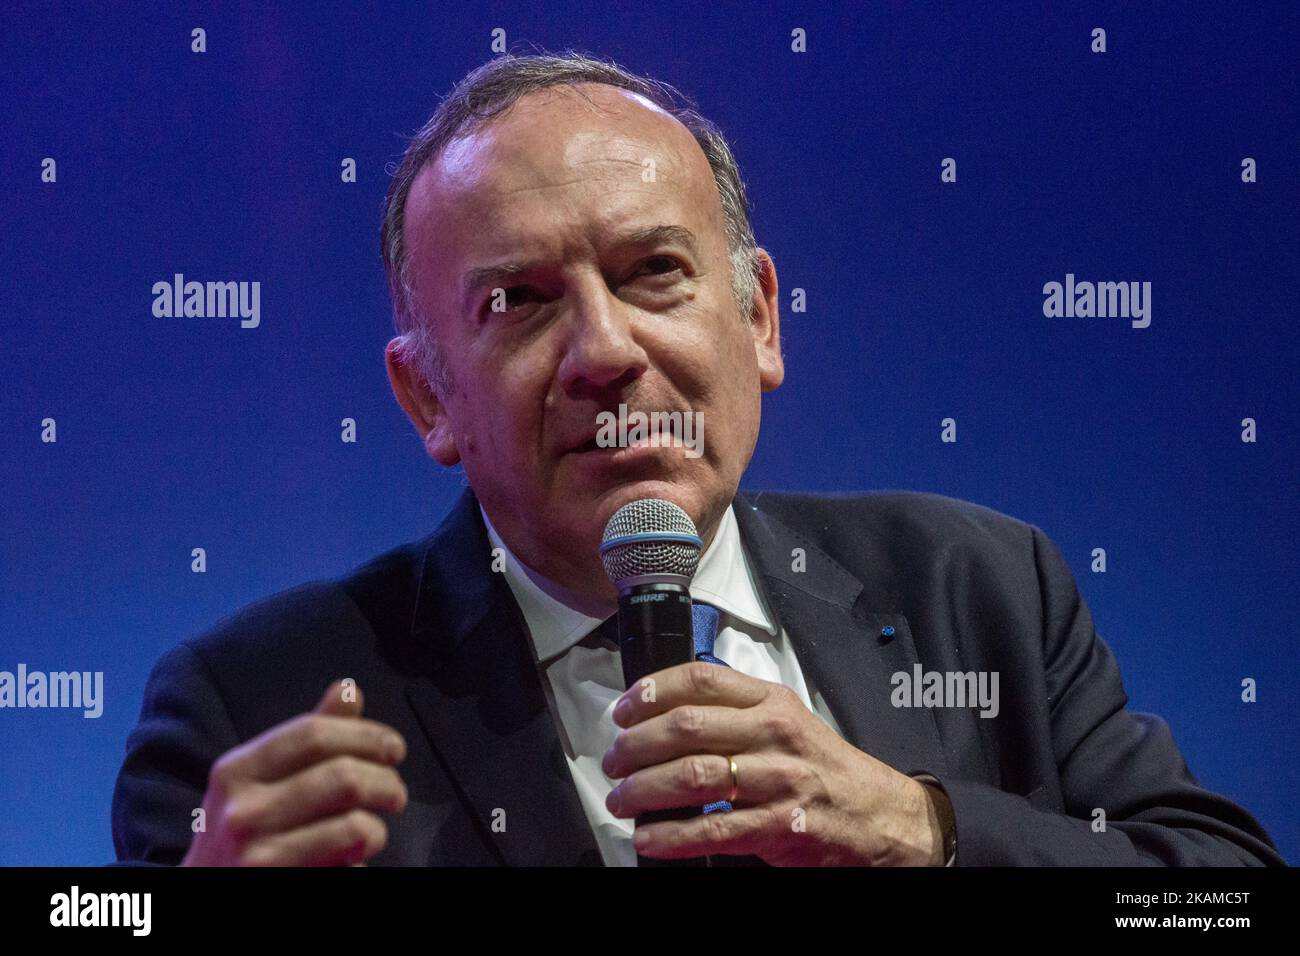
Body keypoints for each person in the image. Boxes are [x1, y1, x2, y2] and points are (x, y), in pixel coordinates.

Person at [112, 51, 1285, 867]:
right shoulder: (254, 700)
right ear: (429, 397)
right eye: (517, 301)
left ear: (760, 319)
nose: (604, 351)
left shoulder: (977, 589)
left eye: (651, 273)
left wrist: (922, 828)